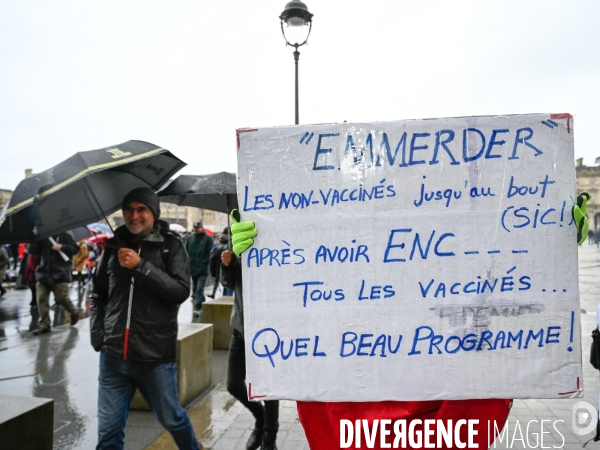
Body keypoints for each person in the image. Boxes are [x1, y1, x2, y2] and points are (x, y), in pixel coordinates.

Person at [90, 187, 200, 450]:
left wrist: (140, 266)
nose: (134, 215)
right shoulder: (112, 246)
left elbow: (180, 292)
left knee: (172, 419)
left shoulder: (171, 246)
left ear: (154, 213)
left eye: (142, 209)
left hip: (154, 358)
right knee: (108, 433)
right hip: (113, 356)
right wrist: (99, 336)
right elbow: (98, 294)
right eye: (129, 209)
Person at [221, 244, 279, 450]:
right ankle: (260, 418)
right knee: (233, 384)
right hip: (241, 330)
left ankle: (269, 440)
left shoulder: (277, 246)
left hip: (269, 333)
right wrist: (227, 265)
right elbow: (227, 283)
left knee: (269, 390)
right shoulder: (239, 246)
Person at [29, 233, 80, 335]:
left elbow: (75, 249)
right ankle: (44, 324)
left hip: (60, 273)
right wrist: (34, 239)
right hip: (43, 273)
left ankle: (74, 312)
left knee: (61, 298)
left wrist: (62, 246)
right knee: (41, 299)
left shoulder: (65, 235)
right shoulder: (42, 236)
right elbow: (33, 250)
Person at [185, 220, 213, 316]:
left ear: (202, 227)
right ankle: (202, 300)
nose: (196, 229)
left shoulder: (208, 239)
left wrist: (204, 262)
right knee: (197, 287)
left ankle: (198, 308)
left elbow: (210, 253)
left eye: (198, 228)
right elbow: (186, 252)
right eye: (195, 228)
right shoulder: (190, 239)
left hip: (203, 268)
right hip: (193, 268)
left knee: (199, 289)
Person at [208, 227, 234, 298]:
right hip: (230, 268)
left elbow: (212, 257)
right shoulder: (233, 243)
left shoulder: (218, 243)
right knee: (229, 286)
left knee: (221, 283)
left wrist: (212, 270)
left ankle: (215, 294)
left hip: (218, 268)